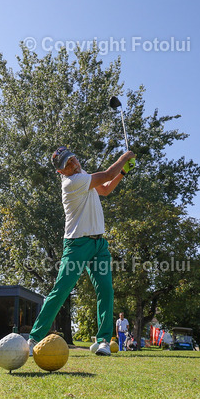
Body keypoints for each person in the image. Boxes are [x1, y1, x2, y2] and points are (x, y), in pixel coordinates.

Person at [28, 146, 135, 356]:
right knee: (61, 291)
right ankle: (34, 338)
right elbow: (106, 175)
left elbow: (104, 189)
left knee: (106, 290)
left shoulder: (83, 175)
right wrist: (125, 157)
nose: (73, 164)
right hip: (77, 244)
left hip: (99, 244)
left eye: (72, 159)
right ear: (61, 172)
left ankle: (103, 340)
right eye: (66, 165)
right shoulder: (72, 183)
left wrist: (123, 172)